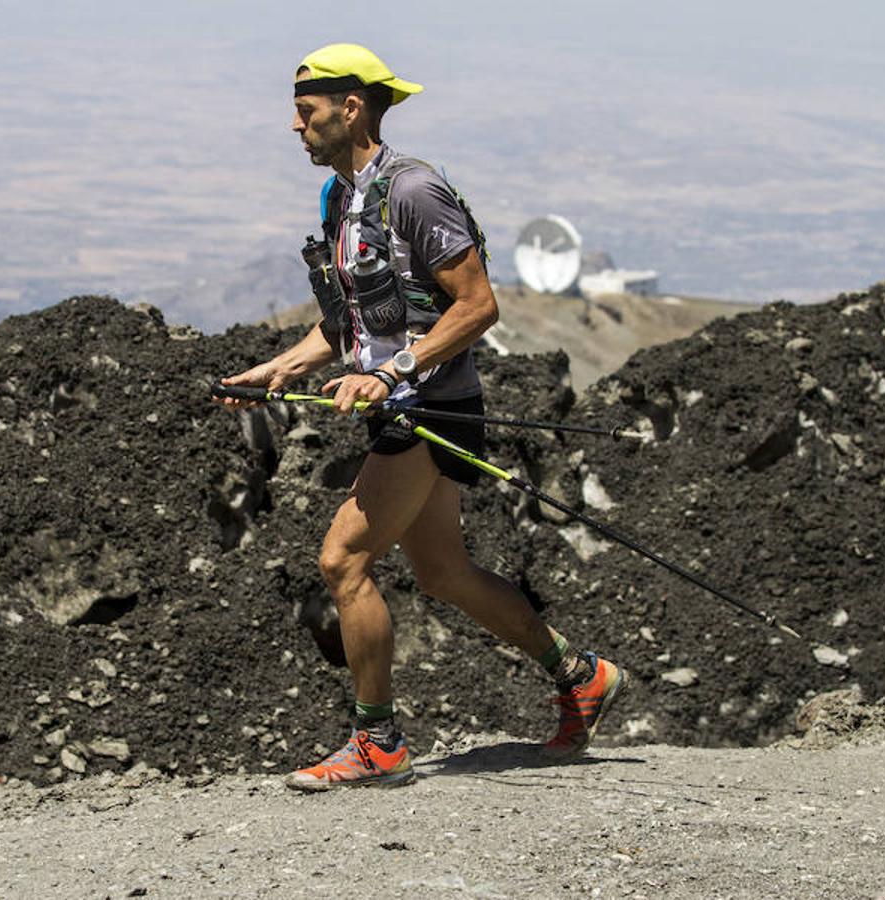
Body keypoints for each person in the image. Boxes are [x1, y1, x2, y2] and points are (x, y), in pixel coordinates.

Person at [218, 43, 626, 791]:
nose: (294, 126)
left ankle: (379, 742)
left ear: (351, 108)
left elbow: (478, 306)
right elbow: (349, 325)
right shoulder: (341, 199)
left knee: (343, 561)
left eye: (306, 113)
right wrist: (280, 368)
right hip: (403, 401)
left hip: (429, 406)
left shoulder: (416, 190)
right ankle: (581, 675)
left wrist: (392, 373)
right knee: (444, 572)